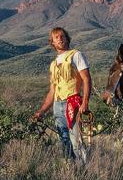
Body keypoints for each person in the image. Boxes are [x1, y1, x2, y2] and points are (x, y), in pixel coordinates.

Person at [33, 28, 91, 165]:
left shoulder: (76, 55)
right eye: (56, 37)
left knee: (77, 141)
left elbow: (87, 80)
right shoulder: (53, 64)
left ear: (67, 38)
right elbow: (52, 92)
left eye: (62, 36)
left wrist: (85, 102)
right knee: (64, 141)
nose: (60, 39)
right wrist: (41, 112)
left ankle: (84, 174)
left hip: (73, 103)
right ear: (52, 42)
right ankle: (71, 173)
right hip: (57, 106)